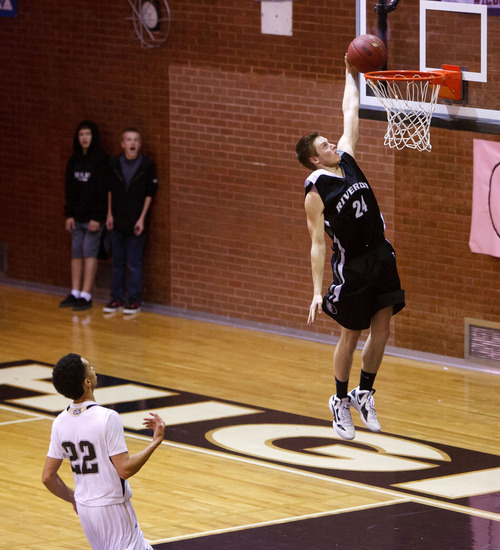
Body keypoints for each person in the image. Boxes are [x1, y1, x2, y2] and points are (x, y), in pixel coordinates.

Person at [295, 56, 405, 441]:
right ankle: (340, 401)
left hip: (380, 253)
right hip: (352, 265)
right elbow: (316, 245)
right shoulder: (315, 190)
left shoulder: (348, 159)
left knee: (384, 327)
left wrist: (348, 70)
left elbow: (350, 108)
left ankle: (365, 392)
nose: (332, 143)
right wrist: (315, 290)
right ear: (314, 157)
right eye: (324, 145)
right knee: (351, 335)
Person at [42, 353, 165, 549]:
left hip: (85, 509)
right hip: (112, 508)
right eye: (90, 367)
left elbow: (48, 477)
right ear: (87, 382)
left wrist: (72, 498)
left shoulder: (59, 423)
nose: (94, 369)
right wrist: (155, 442)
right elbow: (124, 469)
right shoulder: (107, 418)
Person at [103, 128, 158, 315]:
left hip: (136, 221)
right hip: (118, 219)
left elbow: (150, 194)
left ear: (139, 144)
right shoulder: (114, 163)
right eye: (128, 140)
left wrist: (142, 219)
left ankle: (134, 300)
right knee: (117, 261)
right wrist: (109, 214)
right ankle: (116, 298)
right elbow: (109, 189)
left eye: (135, 140)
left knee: (133, 262)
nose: (132, 143)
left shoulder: (147, 165)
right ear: (122, 144)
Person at [59, 120, 109, 312]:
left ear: (93, 136)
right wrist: (69, 214)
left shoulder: (101, 160)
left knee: (89, 252)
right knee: (76, 253)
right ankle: (75, 292)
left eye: (87, 134)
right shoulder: (74, 160)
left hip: (93, 219)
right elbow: (69, 188)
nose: (84, 138)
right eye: (81, 135)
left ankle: (86, 294)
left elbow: (103, 190)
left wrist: (97, 217)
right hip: (77, 217)